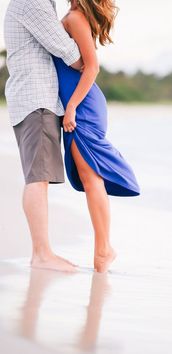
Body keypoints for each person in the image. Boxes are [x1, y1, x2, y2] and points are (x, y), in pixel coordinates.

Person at [52, 0, 140, 273]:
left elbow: (92, 67)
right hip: (79, 103)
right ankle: (104, 249)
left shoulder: (76, 17)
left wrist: (72, 107)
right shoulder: (73, 15)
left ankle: (104, 249)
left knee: (92, 178)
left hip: (82, 105)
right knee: (91, 178)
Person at [3, 0, 84, 273]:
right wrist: (89, 59)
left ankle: (42, 252)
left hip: (36, 99)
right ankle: (41, 253)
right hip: (36, 100)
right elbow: (67, 51)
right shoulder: (32, 2)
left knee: (39, 178)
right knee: (37, 178)